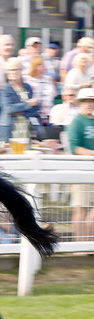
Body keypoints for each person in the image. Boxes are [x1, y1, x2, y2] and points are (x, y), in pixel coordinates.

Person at [0, 58, 41, 147]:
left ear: (21, 70)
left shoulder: (27, 87)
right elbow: (8, 109)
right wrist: (28, 104)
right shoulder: (5, 89)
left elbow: (35, 109)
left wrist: (19, 111)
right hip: (9, 130)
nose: (12, 72)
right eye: (9, 70)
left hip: (25, 129)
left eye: (15, 69)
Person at [67, 87, 94, 240]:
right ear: (80, 103)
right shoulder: (77, 121)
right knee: (81, 209)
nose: (89, 104)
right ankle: (79, 244)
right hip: (82, 168)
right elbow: (75, 147)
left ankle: (88, 242)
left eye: (91, 101)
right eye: (86, 101)